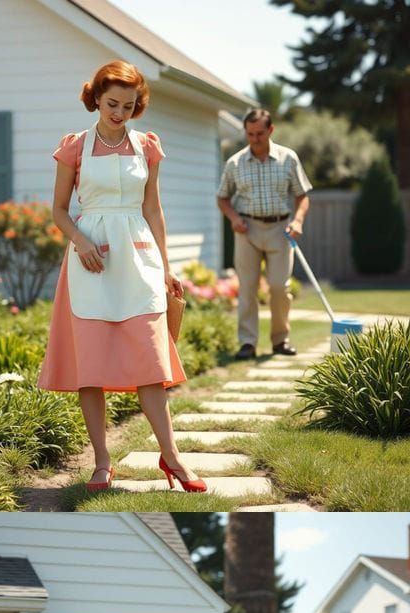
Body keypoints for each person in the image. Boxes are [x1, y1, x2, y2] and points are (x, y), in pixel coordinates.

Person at [38, 60, 207, 493]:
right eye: (112, 103)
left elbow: (153, 209)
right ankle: (101, 462)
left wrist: (167, 268)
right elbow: (58, 209)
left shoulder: (148, 146)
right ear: (95, 98)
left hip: (139, 259)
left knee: (152, 364)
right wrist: (80, 241)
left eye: (129, 106)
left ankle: (172, 458)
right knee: (89, 369)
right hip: (90, 260)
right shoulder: (74, 147)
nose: (119, 113)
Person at [216, 109, 313, 360]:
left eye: (260, 133)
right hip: (247, 230)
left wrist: (298, 220)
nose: (255, 139)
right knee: (247, 288)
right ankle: (247, 343)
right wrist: (234, 218)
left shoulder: (288, 158)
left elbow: (302, 196)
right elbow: (222, 198)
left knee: (279, 287)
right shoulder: (234, 163)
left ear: (271, 130)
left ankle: (280, 340)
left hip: (280, 230)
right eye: (250, 134)